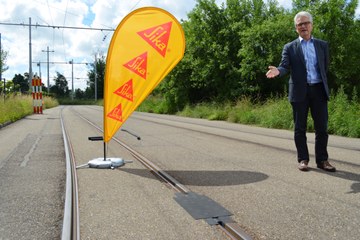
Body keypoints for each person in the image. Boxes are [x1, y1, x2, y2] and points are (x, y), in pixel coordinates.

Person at [266, 11, 336, 172]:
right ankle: (303, 159)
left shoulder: (322, 45)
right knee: (300, 128)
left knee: (322, 128)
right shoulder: (290, 47)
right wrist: (278, 71)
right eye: (299, 24)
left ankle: (322, 160)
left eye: (306, 23)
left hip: (318, 90)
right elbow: (284, 66)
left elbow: (325, 67)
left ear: (311, 25)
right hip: (299, 92)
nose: (303, 26)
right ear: (296, 28)